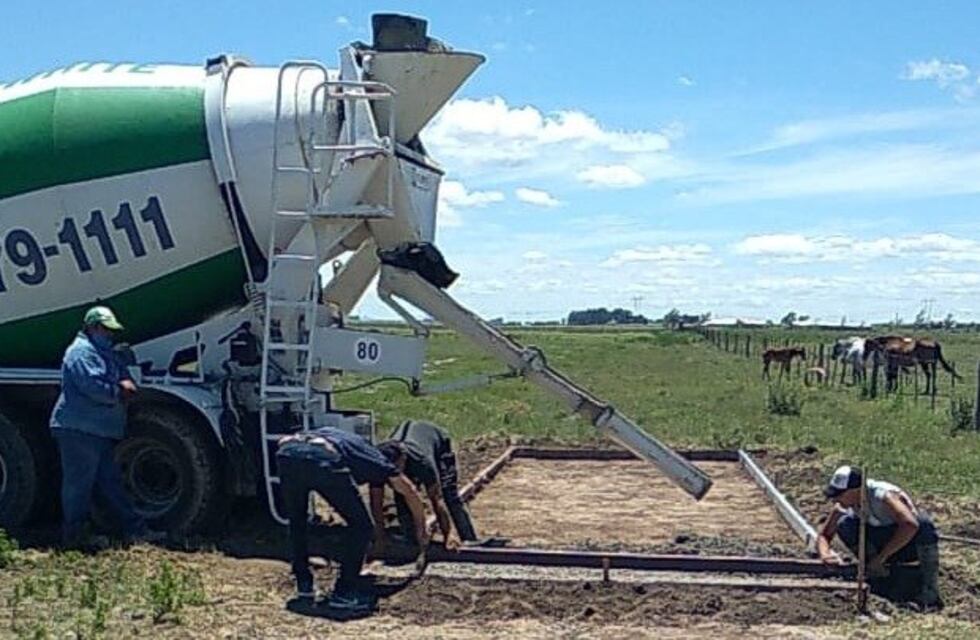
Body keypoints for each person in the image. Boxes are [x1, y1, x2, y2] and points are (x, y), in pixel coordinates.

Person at [276, 427, 429, 613]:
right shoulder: (377, 460)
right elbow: (409, 491)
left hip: (287, 452)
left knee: (297, 521)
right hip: (323, 456)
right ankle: (344, 592)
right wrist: (422, 531)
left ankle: (304, 586)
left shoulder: (349, 441)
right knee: (362, 526)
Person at [49, 306, 158, 548]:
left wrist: (125, 380)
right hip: (79, 429)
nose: (110, 335)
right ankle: (75, 536)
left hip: (96, 429)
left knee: (110, 482)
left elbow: (120, 371)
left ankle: (134, 530)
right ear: (93, 327)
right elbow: (93, 386)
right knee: (79, 485)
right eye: (106, 330)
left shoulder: (102, 351)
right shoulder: (80, 353)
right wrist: (120, 391)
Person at [816, 465, 942, 609]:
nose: (836, 499)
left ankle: (928, 592)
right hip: (878, 537)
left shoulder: (882, 495)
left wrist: (881, 557)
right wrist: (825, 554)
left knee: (924, 524)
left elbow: (910, 525)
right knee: (845, 523)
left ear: (857, 490)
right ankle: (877, 576)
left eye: (840, 494)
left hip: (905, 541)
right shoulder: (844, 504)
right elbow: (825, 535)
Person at [371, 420, 478, 554]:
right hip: (406, 450)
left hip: (439, 444)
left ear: (403, 459)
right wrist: (380, 537)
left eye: (396, 470)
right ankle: (411, 539)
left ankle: (468, 538)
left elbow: (437, 499)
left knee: (449, 494)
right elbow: (376, 503)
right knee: (401, 495)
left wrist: (448, 534)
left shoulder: (422, 462)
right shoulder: (376, 464)